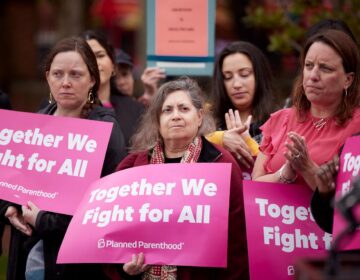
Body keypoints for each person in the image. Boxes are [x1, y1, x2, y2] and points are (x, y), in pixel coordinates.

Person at [0, 36, 126, 279]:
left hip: (74, 265)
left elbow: (106, 211)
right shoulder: (38, 120)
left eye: (75, 75)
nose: (65, 82)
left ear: (92, 80)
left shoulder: (106, 131)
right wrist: (9, 209)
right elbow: (10, 182)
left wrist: (43, 220)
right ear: (48, 77)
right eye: (57, 74)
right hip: (26, 254)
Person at [114, 77, 249, 279]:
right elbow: (115, 231)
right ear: (157, 120)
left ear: (200, 117)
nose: (175, 116)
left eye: (184, 109)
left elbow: (237, 241)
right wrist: (123, 267)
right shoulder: (132, 166)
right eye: (167, 110)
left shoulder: (221, 164)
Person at [252, 30, 360, 189]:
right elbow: (254, 186)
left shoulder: (356, 127)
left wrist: (307, 167)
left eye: (325, 68)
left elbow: (347, 197)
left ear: (348, 80)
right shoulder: (281, 119)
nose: (313, 75)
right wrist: (284, 174)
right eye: (309, 66)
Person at [209, 41, 278, 169]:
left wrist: (247, 143)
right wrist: (220, 139)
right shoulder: (207, 119)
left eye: (244, 74)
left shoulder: (280, 121)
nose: (236, 84)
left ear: (260, 76)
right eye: (228, 77)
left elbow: (280, 171)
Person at [81, 30, 145, 148]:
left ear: (113, 65)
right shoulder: (60, 111)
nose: (95, 62)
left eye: (100, 55)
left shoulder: (137, 110)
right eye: (87, 57)